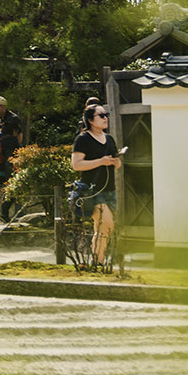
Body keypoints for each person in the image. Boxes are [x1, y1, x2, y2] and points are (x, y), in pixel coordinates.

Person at [70, 101, 122, 265]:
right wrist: (101, 161)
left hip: (109, 189)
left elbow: (116, 164)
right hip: (92, 191)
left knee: (102, 228)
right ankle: (97, 261)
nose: (105, 118)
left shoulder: (109, 139)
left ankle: (96, 261)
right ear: (90, 120)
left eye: (106, 115)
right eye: (101, 115)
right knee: (106, 224)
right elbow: (76, 165)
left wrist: (115, 163)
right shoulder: (83, 139)